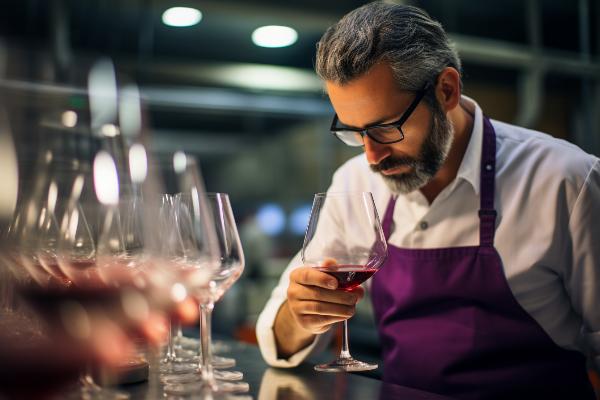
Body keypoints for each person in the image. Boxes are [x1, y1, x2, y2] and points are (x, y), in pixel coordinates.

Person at [256, 2, 600, 399]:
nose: (371, 156)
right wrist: (301, 314)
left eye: (386, 129)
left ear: (447, 90)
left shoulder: (566, 180)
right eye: (354, 132)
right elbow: (278, 337)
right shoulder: (353, 184)